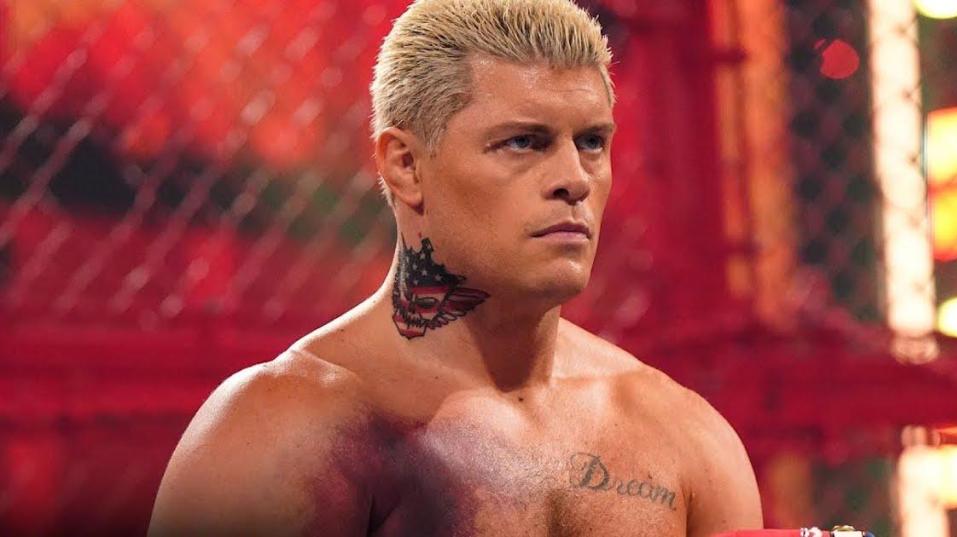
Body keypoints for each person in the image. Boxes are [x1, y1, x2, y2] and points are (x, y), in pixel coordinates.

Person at [148, 0, 763, 535]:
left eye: (592, 142)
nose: (574, 179)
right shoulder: (284, 432)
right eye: (523, 142)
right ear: (406, 166)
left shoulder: (684, 438)